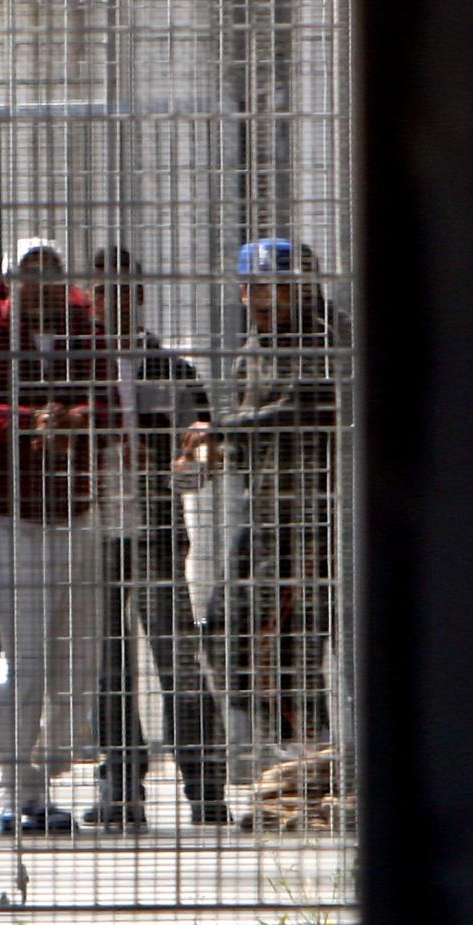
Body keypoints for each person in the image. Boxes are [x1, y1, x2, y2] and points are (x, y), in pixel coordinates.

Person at [181, 238, 342, 782]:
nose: (259, 297)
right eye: (251, 287)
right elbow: (250, 429)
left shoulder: (325, 337)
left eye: (275, 287)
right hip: (266, 511)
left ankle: (309, 758)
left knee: (282, 639)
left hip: (312, 517)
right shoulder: (256, 345)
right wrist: (211, 456)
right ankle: (299, 753)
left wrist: (220, 429)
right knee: (223, 630)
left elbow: (306, 405)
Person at [83, 247, 231, 831]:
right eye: (100, 292)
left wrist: (184, 463)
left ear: (138, 296)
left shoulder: (169, 369)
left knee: (179, 663)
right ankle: (120, 789)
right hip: (92, 534)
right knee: (107, 666)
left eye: (121, 291)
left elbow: (201, 458)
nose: (110, 302)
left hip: (157, 534)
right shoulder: (79, 367)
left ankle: (206, 789)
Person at [0, 238, 112, 834]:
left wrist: (75, 419)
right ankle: (14, 790)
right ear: (12, 281)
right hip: (13, 515)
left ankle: (47, 772)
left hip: (76, 508)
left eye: (49, 273)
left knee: (77, 656)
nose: (39, 285)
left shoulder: (86, 326)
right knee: (27, 658)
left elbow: (111, 405)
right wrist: (28, 422)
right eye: (28, 274)